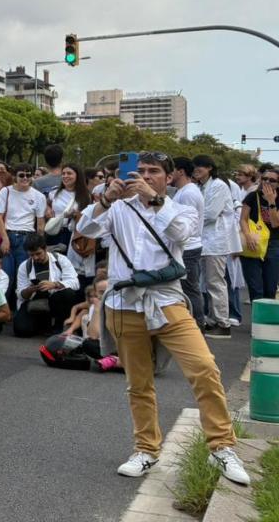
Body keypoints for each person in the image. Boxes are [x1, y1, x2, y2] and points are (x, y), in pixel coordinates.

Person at [75, 150, 249, 484]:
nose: (144, 176)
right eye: (140, 170)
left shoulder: (181, 206)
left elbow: (182, 233)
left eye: (153, 171)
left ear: (169, 178)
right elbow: (85, 228)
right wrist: (106, 199)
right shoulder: (119, 208)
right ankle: (146, 449)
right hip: (125, 303)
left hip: (167, 300)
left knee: (204, 368)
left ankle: (222, 447)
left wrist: (154, 200)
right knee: (138, 383)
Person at [193, 155, 241, 338]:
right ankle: (213, 320)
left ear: (210, 168)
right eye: (195, 166)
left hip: (215, 241)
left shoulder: (219, 186)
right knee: (207, 283)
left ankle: (223, 323)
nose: (196, 169)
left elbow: (211, 214)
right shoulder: (201, 186)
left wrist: (191, 219)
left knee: (215, 282)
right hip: (205, 241)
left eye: (200, 166)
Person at [0, 163, 47, 304]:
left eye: (28, 175)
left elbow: (40, 223)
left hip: (27, 237)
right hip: (8, 234)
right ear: (14, 177)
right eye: (21, 175)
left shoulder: (39, 196)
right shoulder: (6, 191)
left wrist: (40, 244)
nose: (25, 178)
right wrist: (5, 239)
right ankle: (3, 307)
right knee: (5, 275)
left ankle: (20, 307)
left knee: (22, 276)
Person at [13, 233, 82, 337]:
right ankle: (42, 324)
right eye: (32, 255)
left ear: (45, 248)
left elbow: (75, 283)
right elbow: (20, 294)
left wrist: (55, 284)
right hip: (35, 302)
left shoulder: (61, 260)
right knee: (21, 330)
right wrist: (30, 289)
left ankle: (59, 325)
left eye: (38, 253)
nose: (35, 258)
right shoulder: (24, 266)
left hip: (55, 300)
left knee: (68, 294)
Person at [171, 157, 206, 330]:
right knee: (185, 288)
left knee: (189, 289)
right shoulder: (183, 191)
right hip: (186, 246)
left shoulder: (189, 193)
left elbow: (186, 224)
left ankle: (197, 326)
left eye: (171, 169)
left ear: (181, 171)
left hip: (189, 247)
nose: (168, 173)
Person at [240, 164, 279, 302]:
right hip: (253, 241)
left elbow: (275, 223)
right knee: (255, 288)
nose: (267, 182)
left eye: (272, 180)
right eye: (264, 179)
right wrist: (247, 235)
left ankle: (267, 315)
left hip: (273, 243)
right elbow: (243, 219)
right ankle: (256, 315)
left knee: (270, 287)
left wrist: (271, 201)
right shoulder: (252, 196)